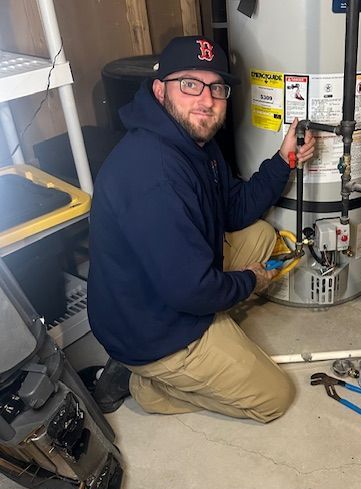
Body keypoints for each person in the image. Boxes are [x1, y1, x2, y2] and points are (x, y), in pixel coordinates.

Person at [87, 36, 315, 422]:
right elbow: (189, 291)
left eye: (216, 88)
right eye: (190, 84)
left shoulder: (195, 143)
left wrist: (284, 159)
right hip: (154, 328)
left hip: (161, 290)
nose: (206, 100)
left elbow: (236, 209)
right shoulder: (154, 175)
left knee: (260, 236)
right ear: (160, 90)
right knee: (273, 398)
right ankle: (148, 385)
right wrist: (248, 281)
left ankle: (207, 336)